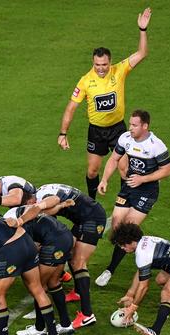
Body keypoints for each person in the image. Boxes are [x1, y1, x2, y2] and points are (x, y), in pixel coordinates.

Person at [58, 8, 152, 199]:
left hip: (118, 129)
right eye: (97, 65)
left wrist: (142, 30)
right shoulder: (85, 81)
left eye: (104, 64)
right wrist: (63, 133)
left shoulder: (119, 70)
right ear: (93, 63)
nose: (101, 68)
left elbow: (142, 53)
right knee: (93, 170)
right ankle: (91, 202)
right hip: (97, 130)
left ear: (110, 62)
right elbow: (71, 107)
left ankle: (124, 199)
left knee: (124, 167)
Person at [95, 110, 170, 287]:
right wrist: (105, 180)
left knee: (128, 228)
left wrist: (142, 179)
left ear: (145, 126)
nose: (130, 128)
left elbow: (167, 170)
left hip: (147, 190)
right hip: (129, 186)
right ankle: (146, 245)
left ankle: (110, 270)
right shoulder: (125, 138)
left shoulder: (156, 145)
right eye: (130, 124)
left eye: (134, 125)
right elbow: (114, 159)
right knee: (116, 225)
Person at [30, 183, 107, 329]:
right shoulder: (42, 191)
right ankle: (78, 292)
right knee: (72, 256)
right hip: (85, 217)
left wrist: (40, 210)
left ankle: (87, 315)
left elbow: (48, 209)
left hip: (92, 219)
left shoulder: (43, 198)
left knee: (78, 262)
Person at [111, 223, 170, 335]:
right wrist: (130, 294)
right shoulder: (144, 241)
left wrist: (132, 308)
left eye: (122, 245)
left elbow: (143, 287)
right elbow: (141, 271)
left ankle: (155, 331)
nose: (122, 248)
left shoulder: (142, 254)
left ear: (131, 241)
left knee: (167, 292)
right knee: (161, 280)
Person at [3, 197, 76, 335]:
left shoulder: (14, 222)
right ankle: (66, 324)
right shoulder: (26, 212)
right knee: (54, 283)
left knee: (38, 287)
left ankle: (39, 327)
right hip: (66, 237)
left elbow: (29, 248)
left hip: (53, 242)